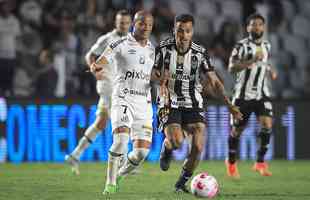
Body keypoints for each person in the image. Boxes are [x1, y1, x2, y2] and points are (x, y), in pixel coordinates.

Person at [153, 14, 242, 193]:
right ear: (174, 30)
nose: (183, 35)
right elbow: (153, 73)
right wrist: (159, 79)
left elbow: (215, 81)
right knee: (177, 142)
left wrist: (229, 104)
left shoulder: (199, 53)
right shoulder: (162, 49)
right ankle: (168, 147)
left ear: (192, 32)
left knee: (198, 146)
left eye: (187, 31)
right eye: (180, 30)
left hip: (193, 102)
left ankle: (180, 183)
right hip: (169, 101)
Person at [93, 10, 156, 194]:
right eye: (142, 23)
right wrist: (97, 66)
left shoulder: (153, 50)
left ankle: (119, 174)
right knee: (121, 142)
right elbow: (102, 59)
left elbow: (153, 74)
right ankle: (110, 184)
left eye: (149, 25)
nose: (145, 27)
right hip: (123, 98)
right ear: (134, 24)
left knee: (141, 153)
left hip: (144, 104)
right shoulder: (120, 44)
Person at [65, 10, 132, 175]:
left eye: (125, 22)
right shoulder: (107, 39)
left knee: (101, 122)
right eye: (120, 22)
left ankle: (75, 155)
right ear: (116, 22)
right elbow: (90, 55)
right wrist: (95, 71)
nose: (122, 25)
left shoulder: (132, 40)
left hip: (121, 86)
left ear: (130, 23)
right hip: (107, 84)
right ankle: (123, 163)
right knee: (121, 120)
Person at [225, 13, 277, 178]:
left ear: (263, 27)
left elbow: (265, 62)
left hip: (262, 94)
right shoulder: (241, 46)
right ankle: (231, 162)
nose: (257, 27)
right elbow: (231, 68)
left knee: (267, 125)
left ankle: (260, 162)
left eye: (260, 24)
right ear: (248, 28)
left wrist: (270, 70)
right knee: (236, 131)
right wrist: (251, 60)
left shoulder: (267, 46)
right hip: (242, 96)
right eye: (253, 24)